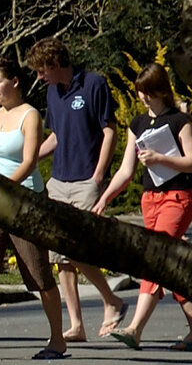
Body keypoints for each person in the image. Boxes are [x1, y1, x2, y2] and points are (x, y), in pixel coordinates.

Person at [98, 64, 192, 350]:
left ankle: (134, 329)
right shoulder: (137, 124)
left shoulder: (179, 121)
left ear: (161, 91)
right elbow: (125, 171)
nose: (143, 97)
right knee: (170, 264)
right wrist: (104, 198)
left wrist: (160, 158)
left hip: (178, 197)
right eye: (139, 92)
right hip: (151, 200)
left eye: (148, 92)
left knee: (154, 258)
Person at [27, 37, 126, 338]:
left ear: (56, 64)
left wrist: (98, 175)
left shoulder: (94, 84)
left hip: (86, 180)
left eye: (41, 70)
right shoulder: (52, 94)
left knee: (77, 248)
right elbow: (55, 135)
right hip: (59, 180)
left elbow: (109, 131)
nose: (39, 77)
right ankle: (76, 325)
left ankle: (112, 300)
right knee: (60, 257)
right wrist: (29, 159)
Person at [0, 57, 71, 358]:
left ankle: (57, 339)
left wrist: (0, 189)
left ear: (15, 81)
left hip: (23, 202)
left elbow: (29, 162)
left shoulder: (29, 116)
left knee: (39, 274)